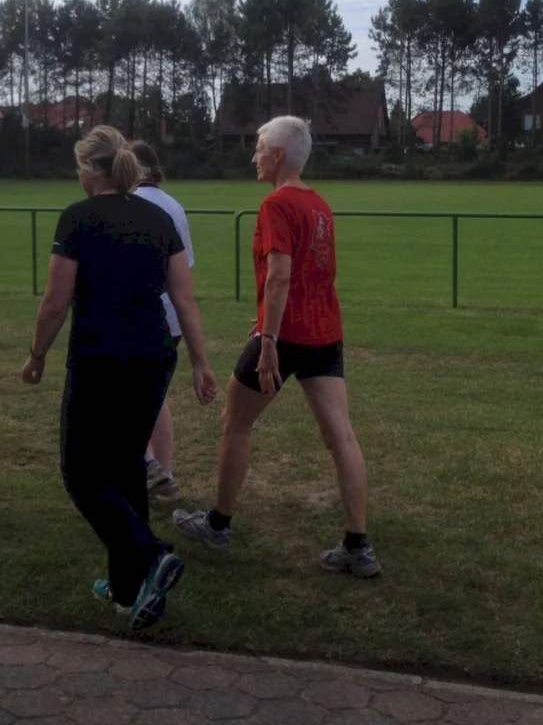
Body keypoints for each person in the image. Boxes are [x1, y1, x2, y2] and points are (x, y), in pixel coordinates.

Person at [21, 125, 219, 630]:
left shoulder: (78, 219)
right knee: (127, 466)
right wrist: (199, 362)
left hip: (99, 355)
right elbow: (185, 300)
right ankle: (128, 591)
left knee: (81, 473)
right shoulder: (158, 218)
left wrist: (36, 355)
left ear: (90, 170)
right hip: (154, 353)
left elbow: (55, 302)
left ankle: (150, 555)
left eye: (77, 166)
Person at [172, 116, 381, 578]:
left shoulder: (275, 205)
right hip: (325, 333)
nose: (254, 156)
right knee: (341, 436)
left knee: (236, 423)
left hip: (284, 338)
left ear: (278, 155)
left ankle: (218, 525)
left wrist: (268, 339)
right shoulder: (320, 205)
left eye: (259, 147)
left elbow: (283, 272)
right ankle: (358, 545)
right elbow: (315, 274)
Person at [131, 140, 193, 502]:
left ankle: (148, 466)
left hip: (142, 315)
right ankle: (162, 473)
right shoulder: (173, 206)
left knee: (130, 395)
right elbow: (186, 268)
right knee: (155, 394)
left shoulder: (129, 205)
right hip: (173, 318)